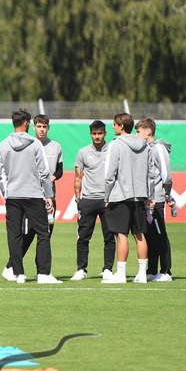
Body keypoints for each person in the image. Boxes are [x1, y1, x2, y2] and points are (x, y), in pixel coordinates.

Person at [0, 109, 60, 284]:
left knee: (14, 235)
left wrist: (7, 196)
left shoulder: (3, 145)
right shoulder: (35, 144)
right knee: (43, 233)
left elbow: (0, 176)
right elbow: (44, 172)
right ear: (26, 123)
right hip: (33, 195)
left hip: (13, 196)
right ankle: (44, 274)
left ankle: (19, 274)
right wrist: (48, 195)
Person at [102, 113, 158, 284]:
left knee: (121, 235)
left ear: (121, 126)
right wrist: (150, 196)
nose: (112, 127)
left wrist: (107, 195)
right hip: (140, 196)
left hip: (120, 195)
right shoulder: (145, 146)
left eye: (114, 124)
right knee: (140, 234)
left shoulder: (115, 144)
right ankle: (142, 274)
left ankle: (120, 274)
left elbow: (109, 174)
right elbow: (151, 173)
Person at [70, 120, 116, 280]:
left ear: (105, 133)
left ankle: (108, 269)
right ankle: (81, 269)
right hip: (88, 200)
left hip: (107, 200)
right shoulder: (82, 152)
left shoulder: (112, 150)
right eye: (94, 133)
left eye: (100, 133)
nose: (97, 136)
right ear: (90, 134)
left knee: (109, 236)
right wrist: (78, 199)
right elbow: (78, 176)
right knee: (82, 237)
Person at [136, 118, 174, 282]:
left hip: (156, 198)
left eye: (138, 131)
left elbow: (166, 173)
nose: (136, 135)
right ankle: (151, 270)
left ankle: (165, 271)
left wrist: (167, 193)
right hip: (146, 199)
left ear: (148, 131)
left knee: (160, 234)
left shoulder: (158, 148)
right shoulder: (145, 148)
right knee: (149, 235)